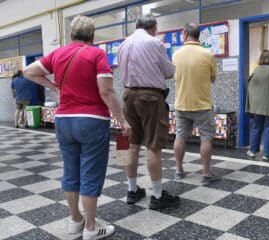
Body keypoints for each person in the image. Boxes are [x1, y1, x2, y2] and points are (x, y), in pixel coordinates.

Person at [24, 15, 131, 239]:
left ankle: (75, 221)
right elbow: (107, 91)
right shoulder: (97, 54)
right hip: (91, 121)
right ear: (92, 36)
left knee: (70, 171)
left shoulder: (58, 53)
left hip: (63, 120)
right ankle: (91, 228)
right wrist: (122, 120)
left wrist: (54, 87)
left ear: (72, 36)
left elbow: (29, 72)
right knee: (90, 174)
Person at [118, 14, 180, 209]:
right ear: (153, 27)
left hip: (127, 96)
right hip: (151, 97)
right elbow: (169, 72)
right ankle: (158, 196)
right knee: (153, 146)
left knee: (128, 144)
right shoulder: (154, 42)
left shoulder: (123, 44)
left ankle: (132, 190)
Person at [172, 23, 218, 183]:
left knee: (180, 137)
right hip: (202, 105)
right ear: (199, 35)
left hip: (181, 104)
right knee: (206, 138)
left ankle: (179, 170)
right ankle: (205, 173)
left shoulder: (176, 55)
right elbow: (213, 79)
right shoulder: (208, 54)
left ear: (184, 34)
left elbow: (174, 76)